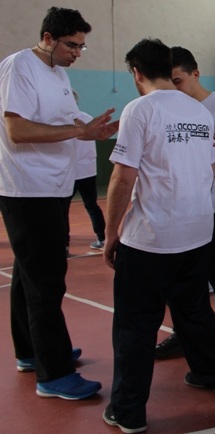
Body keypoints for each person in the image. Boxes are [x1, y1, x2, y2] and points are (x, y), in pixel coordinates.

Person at [102, 38, 215, 433]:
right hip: (197, 231)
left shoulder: (139, 109)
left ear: (137, 73)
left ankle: (127, 411)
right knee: (193, 309)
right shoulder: (199, 111)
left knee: (135, 324)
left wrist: (111, 234)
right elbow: (208, 169)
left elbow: (123, 176)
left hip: (151, 239)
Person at [0, 6, 117, 400]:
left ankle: (31, 352)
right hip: (27, 189)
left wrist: (91, 133)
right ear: (48, 38)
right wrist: (77, 130)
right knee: (47, 281)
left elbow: (67, 129)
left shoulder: (59, 73)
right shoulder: (19, 67)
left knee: (29, 275)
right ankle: (54, 374)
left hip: (52, 188)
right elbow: (16, 129)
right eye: (71, 45)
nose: (77, 53)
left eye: (82, 46)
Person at [152, 46, 215, 372]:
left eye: (178, 80)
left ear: (195, 74)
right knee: (182, 281)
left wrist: (214, 151)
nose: (174, 88)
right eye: (168, 82)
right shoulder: (170, 110)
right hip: (183, 210)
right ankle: (184, 335)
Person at [66, 89, 107, 251]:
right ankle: (102, 238)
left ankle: (64, 244)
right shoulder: (88, 119)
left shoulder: (65, 121)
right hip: (89, 171)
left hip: (71, 172)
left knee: (64, 209)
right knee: (92, 205)